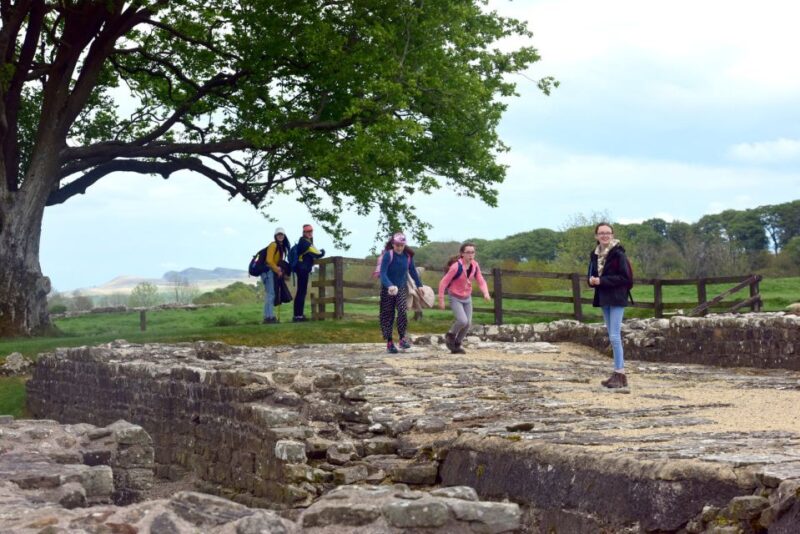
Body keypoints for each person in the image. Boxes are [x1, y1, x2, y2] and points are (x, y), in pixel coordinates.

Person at [588, 222, 632, 388]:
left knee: (614, 336)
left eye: (607, 233)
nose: (604, 235)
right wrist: (591, 281)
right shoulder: (594, 254)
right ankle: (617, 374)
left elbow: (625, 278)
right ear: (596, 236)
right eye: (601, 233)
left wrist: (602, 280)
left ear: (612, 235)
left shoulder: (619, 254)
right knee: (611, 335)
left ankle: (620, 374)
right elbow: (592, 274)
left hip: (617, 296)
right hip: (603, 297)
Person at [437, 242, 491, 354]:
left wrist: (486, 293)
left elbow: (481, 280)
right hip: (455, 297)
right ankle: (450, 335)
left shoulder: (475, 265)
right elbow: (443, 283)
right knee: (462, 320)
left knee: (468, 324)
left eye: (473, 252)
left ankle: (456, 345)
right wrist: (441, 300)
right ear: (462, 254)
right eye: (468, 252)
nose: (471, 255)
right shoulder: (456, 267)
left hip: (467, 297)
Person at [379, 232, 425, 354]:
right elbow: (382, 274)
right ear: (393, 244)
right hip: (387, 289)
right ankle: (389, 342)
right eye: (397, 245)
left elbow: (413, 272)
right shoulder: (388, 255)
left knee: (402, 311)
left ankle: (402, 338)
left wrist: (419, 285)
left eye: (402, 245)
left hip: (401, 288)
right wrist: (389, 285)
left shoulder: (408, 257)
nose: (399, 247)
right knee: (388, 315)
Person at [293, 224, 325, 322]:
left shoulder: (304, 241)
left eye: (311, 231)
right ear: (304, 233)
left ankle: (297, 315)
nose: (310, 233)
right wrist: (323, 251)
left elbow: (313, 253)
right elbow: (318, 254)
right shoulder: (305, 243)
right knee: (302, 292)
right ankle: (299, 316)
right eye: (308, 231)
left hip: (301, 269)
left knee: (300, 292)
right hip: (303, 270)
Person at [261, 228, 290, 324]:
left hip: (270, 271)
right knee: (271, 294)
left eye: (282, 234)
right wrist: (278, 270)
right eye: (278, 235)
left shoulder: (280, 246)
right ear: (275, 236)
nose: (280, 236)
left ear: (284, 236)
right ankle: (269, 317)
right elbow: (269, 261)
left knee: (271, 294)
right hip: (267, 271)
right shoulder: (273, 245)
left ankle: (268, 317)